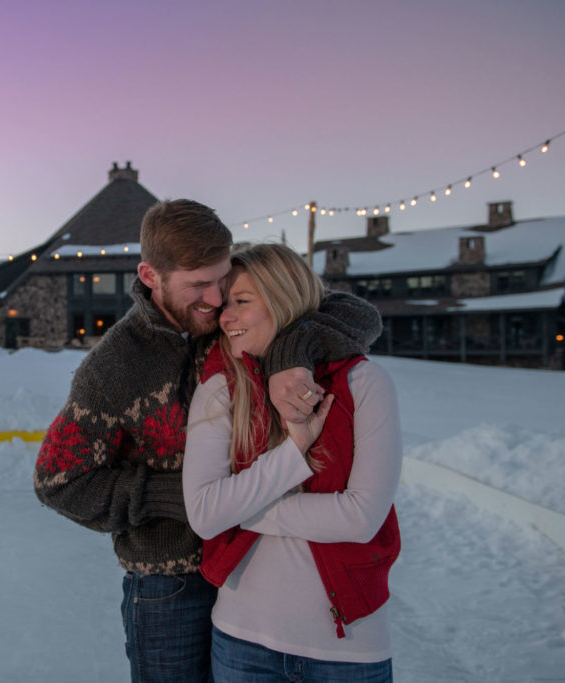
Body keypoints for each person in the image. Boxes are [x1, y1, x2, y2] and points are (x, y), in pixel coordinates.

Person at [33, 200, 382, 683]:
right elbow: (58, 480)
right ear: (150, 276)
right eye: (199, 285)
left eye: (222, 282)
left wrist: (292, 353)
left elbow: (354, 313)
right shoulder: (114, 367)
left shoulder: (224, 322)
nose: (217, 299)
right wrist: (181, 498)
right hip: (169, 584)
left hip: (251, 570)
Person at [182, 243, 402, 682]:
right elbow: (206, 516)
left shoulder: (362, 383)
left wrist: (245, 510)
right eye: (225, 306)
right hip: (242, 643)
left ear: (284, 298)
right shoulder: (222, 390)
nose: (225, 318)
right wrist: (293, 451)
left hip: (347, 651)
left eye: (241, 302)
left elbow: (360, 518)